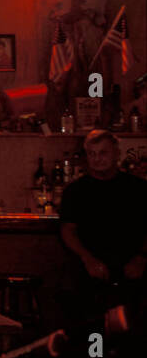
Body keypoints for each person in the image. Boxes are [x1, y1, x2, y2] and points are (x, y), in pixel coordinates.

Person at [57, 130, 147, 324]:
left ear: (116, 154)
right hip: (90, 267)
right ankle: (91, 350)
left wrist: (141, 257)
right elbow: (68, 230)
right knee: (77, 298)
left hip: (132, 262)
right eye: (92, 153)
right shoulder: (76, 191)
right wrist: (87, 259)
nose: (97, 159)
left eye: (103, 153)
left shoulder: (138, 189)